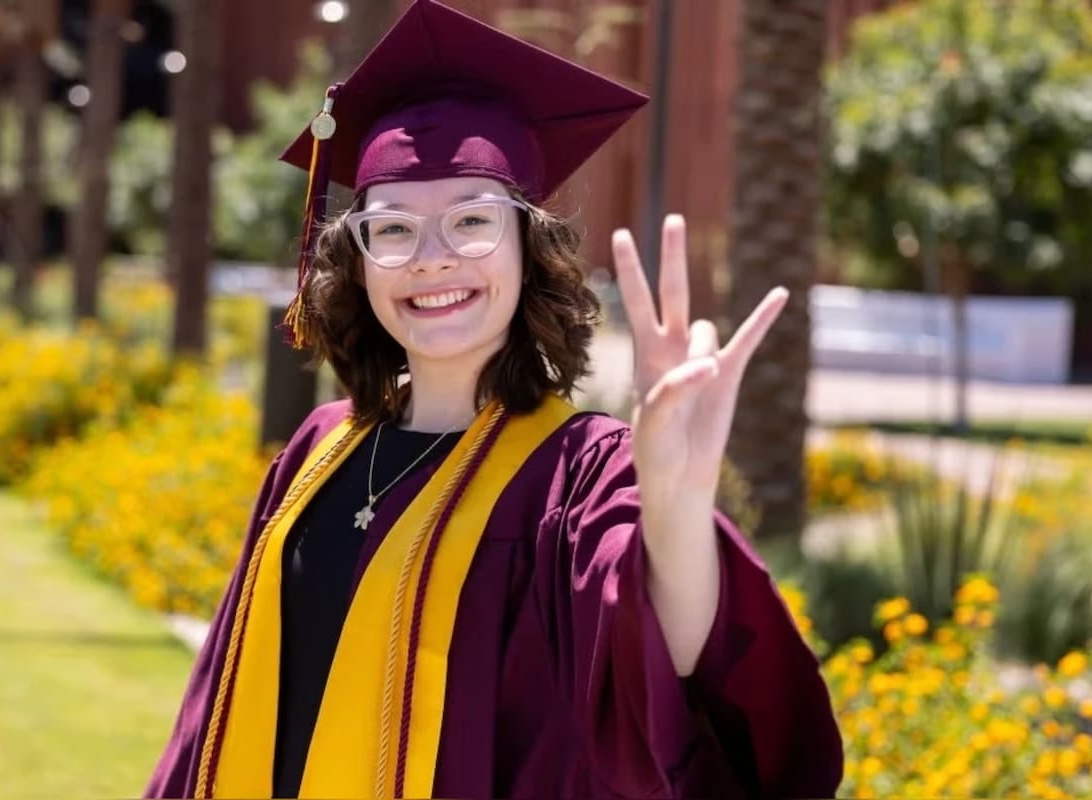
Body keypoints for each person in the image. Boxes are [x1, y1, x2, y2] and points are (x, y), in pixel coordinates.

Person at [145, 1, 843, 798]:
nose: (433, 260)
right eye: (395, 230)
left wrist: (678, 507)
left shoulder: (580, 474)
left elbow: (661, 665)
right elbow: (214, 708)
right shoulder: (316, 451)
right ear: (359, 260)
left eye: (473, 222)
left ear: (529, 250)